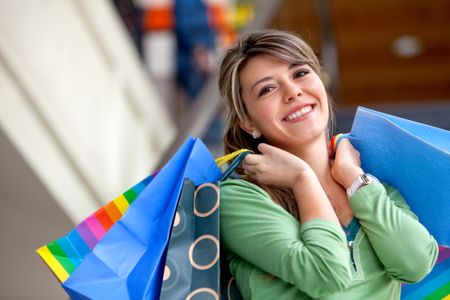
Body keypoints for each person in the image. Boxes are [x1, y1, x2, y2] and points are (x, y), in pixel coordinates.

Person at [217, 29, 438, 299]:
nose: (293, 92)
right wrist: (302, 179)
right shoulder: (239, 198)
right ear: (248, 122)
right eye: (267, 89)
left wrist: (356, 181)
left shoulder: (369, 181)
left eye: (300, 73)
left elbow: (416, 265)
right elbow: (328, 276)